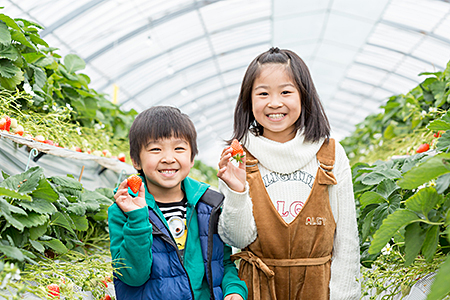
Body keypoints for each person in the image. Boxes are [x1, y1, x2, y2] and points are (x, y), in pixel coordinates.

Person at [216, 47, 360, 300]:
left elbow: (346, 239)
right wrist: (237, 191)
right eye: (262, 93)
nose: (274, 103)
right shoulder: (238, 157)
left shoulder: (330, 154)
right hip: (257, 289)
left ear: (304, 97)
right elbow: (236, 238)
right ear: (248, 101)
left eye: (286, 92)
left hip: (319, 288)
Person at [108, 106, 248, 300]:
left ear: (191, 159)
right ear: (136, 160)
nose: (168, 158)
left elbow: (222, 263)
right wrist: (137, 218)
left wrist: (234, 289)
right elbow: (132, 277)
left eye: (179, 148)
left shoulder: (209, 206)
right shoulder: (123, 211)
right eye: (155, 149)